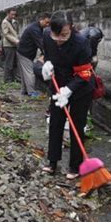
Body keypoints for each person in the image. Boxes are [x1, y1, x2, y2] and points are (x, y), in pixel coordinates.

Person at [41, 11, 95, 179]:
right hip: (58, 85)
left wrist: (69, 90)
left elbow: (85, 73)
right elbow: (47, 56)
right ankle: (52, 161)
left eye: (64, 35)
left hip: (80, 88)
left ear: (71, 28)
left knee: (76, 126)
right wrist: (46, 67)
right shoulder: (46, 36)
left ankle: (75, 166)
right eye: (56, 35)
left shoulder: (81, 43)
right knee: (55, 122)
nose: (59, 39)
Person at [17, 13, 51, 96]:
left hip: (24, 52)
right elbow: (41, 43)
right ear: (41, 20)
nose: (48, 25)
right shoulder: (35, 29)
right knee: (30, 73)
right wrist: (47, 53)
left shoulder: (37, 27)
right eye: (46, 22)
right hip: (25, 53)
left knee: (24, 73)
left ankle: (24, 90)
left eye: (49, 23)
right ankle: (31, 92)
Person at [1, 9, 19, 82]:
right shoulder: (4, 22)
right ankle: (7, 79)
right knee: (9, 62)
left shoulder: (13, 21)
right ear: (8, 14)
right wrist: (16, 41)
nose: (13, 16)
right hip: (8, 45)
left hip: (14, 45)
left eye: (14, 14)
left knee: (14, 62)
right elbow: (6, 34)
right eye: (12, 14)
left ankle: (12, 78)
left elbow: (15, 32)